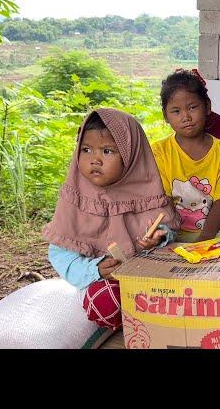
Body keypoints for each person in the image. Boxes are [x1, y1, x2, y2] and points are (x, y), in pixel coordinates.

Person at [44, 108, 181, 330]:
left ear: (131, 156)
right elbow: (59, 253)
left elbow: (170, 231)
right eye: (86, 150)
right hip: (99, 282)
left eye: (107, 151)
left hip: (146, 277)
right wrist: (95, 269)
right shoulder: (75, 197)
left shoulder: (146, 192)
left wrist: (160, 237)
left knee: (184, 293)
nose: (95, 160)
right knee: (107, 301)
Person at [151, 69, 220, 243]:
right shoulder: (160, 150)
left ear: (207, 107)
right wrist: (170, 237)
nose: (186, 117)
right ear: (165, 116)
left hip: (212, 234)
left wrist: (203, 240)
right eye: (176, 111)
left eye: (192, 107)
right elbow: (164, 201)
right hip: (170, 232)